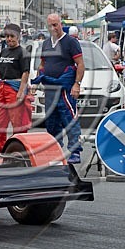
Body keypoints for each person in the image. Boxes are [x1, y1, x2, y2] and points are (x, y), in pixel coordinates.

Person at [32, 13, 84, 164]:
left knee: (69, 120)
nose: (53, 28)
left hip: (65, 90)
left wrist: (76, 84)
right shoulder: (46, 43)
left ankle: (75, 152)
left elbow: (80, 64)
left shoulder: (70, 42)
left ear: (61, 24)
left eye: (55, 24)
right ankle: (56, 150)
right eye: (50, 25)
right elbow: (42, 65)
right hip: (50, 90)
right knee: (51, 122)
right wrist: (36, 82)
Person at [0, 23, 31, 153]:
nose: (9, 39)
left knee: (17, 122)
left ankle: (18, 149)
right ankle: (0, 148)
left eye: (12, 36)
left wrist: (21, 91)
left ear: (18, 36)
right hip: (2, 88)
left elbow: (25, 73)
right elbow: (0, 71)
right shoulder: (4, 51)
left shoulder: (23, 52)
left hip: (14, 89)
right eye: (7, 36)